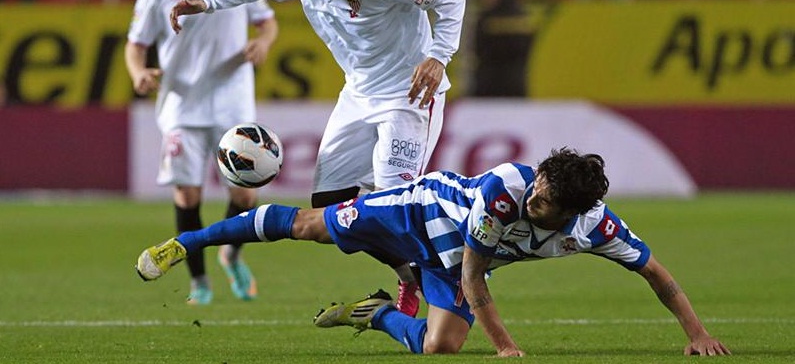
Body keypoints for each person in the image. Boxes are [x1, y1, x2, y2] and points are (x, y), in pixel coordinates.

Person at [136, 148, 731, 357]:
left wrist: (698, 333)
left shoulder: (596, 229)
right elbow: (476, 277)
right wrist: (506, 346)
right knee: (309, 227)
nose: (534, 199)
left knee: (440, 347)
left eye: (546, 202)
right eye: (539, 186)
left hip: (450, 259)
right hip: (415, 211)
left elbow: (656, 274)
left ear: (571, 215)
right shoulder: (505, 192)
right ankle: (183, 243)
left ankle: (374, 313)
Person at [169, 0, 466, 316]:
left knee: (392, 205)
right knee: (330, 204)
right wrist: (205, 2)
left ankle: (451, 285)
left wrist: (438, 56)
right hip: (357, 94)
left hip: (408, 96)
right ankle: (407, 274)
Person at [125, 0, 279, 305]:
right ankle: (199, 281)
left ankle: (231, 253)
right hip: (182, 104)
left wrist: (263, 42)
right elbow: (135, 44)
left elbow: (267, 22)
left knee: (245, 195)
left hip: (233, 101)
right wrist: (138, 72)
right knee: (187, 197)